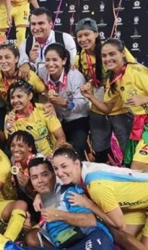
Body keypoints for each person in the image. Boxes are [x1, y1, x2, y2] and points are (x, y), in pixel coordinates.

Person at [51, 143, 148, 248]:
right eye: (56, 168)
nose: (59, 173)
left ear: (76, 164)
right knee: (120, 236)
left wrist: (89, 204)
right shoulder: (85, 168)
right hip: (136, 204)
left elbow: (119, 224)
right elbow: (52, 181)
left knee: (128, 238)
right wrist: (39, 196)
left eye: (64, 166)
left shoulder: (96, 187)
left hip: (138, 202)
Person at [80, 38, 148, 170]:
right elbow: (107, 109)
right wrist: (90, 97)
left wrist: (143, 99)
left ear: (122, 53)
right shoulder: (114, 79)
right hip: (139, 125)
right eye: (104, 56)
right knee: (133, 167)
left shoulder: (136, 71)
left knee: (137, 168)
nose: (107, 59)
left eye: (112, 54)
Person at [75, 18, 134, 163]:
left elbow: (131, 68)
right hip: (98, 109)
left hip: (120, 109)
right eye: (79, 36)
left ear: (96, 34)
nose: (83, 39)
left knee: (128, 150)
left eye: (87, 34)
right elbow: (88, 78)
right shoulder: (80, 58)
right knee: (100, 150)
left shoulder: (112, 49)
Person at [24, 157, 114, 249]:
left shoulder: (68, 192)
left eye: (45, 175)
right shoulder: (39, 203)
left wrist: (58, 215)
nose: (40, 181)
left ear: (54, 175)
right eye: (34, 177)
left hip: (90, 236)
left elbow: (90, 220)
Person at [38, 43, 90, 159]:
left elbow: (83, 103)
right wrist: (48, 102)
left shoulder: (75, 76)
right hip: (56, 118)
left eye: (55, 60)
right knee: (53, 149)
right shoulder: (42, 73)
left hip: (77, 118)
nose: (50, 64)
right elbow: (40, 91)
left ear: (64, 61)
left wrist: (66, 103)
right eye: (47, 60)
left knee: (76, 150)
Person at [0, 42, 45, 115]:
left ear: (16, 59)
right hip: (11, 116)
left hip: (32, 115)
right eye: (0, 58)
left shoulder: (28, 75)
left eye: (7, 57)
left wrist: (49, 106)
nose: (3, 61)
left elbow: (45, 92)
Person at [5, 80, 66, 157]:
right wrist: (10, 132)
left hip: (50, 154)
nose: (15, 101)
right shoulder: (10, 118)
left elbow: (61, 137)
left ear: (30, 96)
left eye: (19, 96)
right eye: (12, 97)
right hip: (27, 158)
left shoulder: (44, 110)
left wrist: (53, 155)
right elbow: (12, 147)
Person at [9, 130, 40, 222]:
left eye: (20, 146)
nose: (15, 149)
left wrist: (28, 185)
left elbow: (48, 193)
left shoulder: (38, 163)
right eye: (12, 145)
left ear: (30, 147)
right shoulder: (13, 160)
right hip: (28, 201)